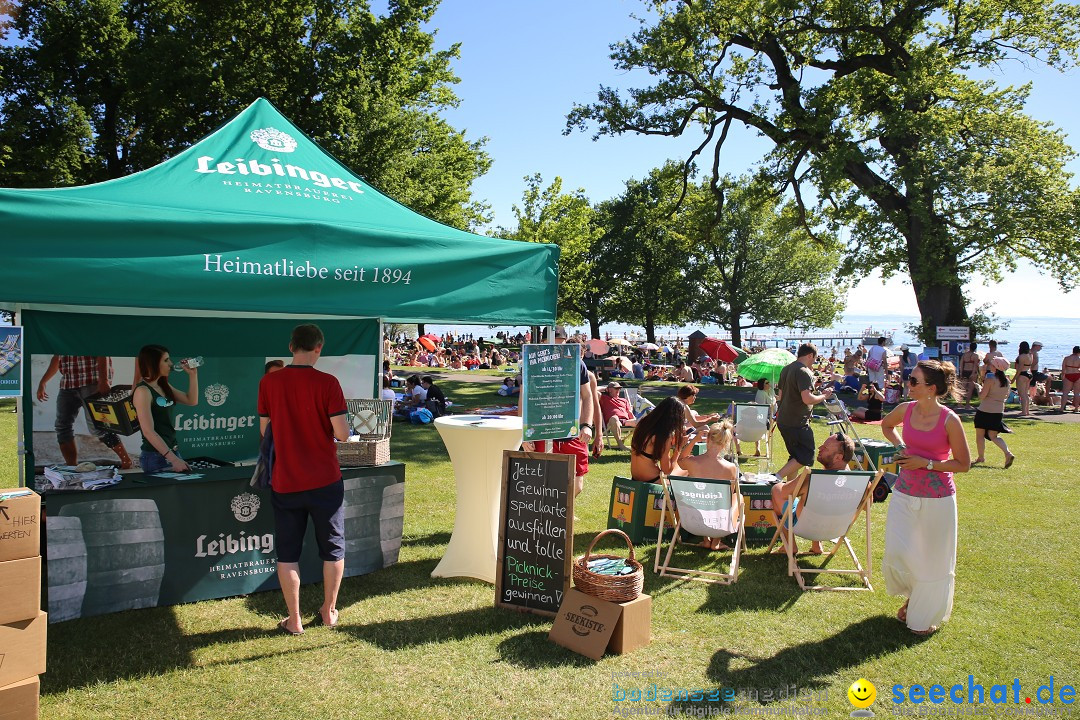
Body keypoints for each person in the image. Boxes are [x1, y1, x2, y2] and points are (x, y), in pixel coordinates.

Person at [258, 324, 350, 635]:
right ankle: (329, 610)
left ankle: (294, 619)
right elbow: (342, 433)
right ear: (319, 348)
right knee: (333, 548)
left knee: (287, 553)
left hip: (286, 481)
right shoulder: (328, 383)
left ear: (290, 347)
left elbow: (263, 431)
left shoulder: (270, 383)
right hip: (325, 479)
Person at [880, 360, 971, 636]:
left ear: (931, 388)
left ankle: (922, 613)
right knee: (899, 549)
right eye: (910, 379)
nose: (908, 384)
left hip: (938, 498)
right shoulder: (905, 410)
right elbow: (886, 426)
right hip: (905, 491)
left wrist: (926, 463)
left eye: (914, 381)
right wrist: (903, 447)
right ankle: (913, 595)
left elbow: (963, 464)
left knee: (932, 558)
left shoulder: (949, 420)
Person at [36, 355, 133, 469]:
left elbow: (102, 352)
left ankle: (126, 460)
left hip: (91, 380)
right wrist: (43, 382)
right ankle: (71, 466)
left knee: (99, 426)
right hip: (68, 382)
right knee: (62, 426)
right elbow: (57, 357)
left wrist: (104, 380)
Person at [771, 431, 856, 555]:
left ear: (838, 457)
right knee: (822, 504)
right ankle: (817, 545)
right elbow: (866, 506)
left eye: (825, 448)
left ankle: (790, 545)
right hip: (837, 529)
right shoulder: (861, 483)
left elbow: (784, 493)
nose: (819, 448)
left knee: (777, 489)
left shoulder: (810, 478)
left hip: (806, 527)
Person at [131, 346, 200, 473]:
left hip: (172, 452)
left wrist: (193, 375)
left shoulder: (163, 385)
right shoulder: (143, 391)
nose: (171, 364)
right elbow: (148, 431)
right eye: (166, 360)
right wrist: (174, 460)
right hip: (155, 456)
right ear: (153, 363)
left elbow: (192, 401)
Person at [549, 325, 598, 497]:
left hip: (572, 432)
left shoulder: (576, 363)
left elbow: (588, 396)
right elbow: (524, 399)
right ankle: (555, 516)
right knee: (545, 482)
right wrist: (524, 434)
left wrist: (587, 425)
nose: (557, 349)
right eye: (552, 344)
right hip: (543, 433)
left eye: (560, 344)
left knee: (577, 485)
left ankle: (562, 511)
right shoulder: (534, 361)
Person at [775, 344, 834, 482]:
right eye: (815, 358)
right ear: (810, 355)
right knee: (806, 456)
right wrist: (824, 396)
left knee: (795, 457)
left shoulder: (786, 369)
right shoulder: (803, 371)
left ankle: (788, 490)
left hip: (784, 419)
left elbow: (781, 395)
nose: (815, 361)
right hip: (797, 421)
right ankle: (776, 478)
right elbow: (807, 399)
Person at [678, 420, 739, 550]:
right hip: (719, 523)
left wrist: (694, 440)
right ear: (725, 444)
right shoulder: (731, 468)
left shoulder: (692, 462)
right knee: (734, 498)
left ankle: (706, 540)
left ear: (707, 440)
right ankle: (716, 542)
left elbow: (680, 460)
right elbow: (726, 501)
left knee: (702, 499)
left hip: (692, 521)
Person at [629, 397, 694, 483]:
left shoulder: (643, 424)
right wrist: (679, 447)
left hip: (635, 478)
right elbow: (667, 470)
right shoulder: (664, 435)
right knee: (690, 465)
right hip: (653, 480)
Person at [973, 357, 1015, 468]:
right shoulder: (1006, 381)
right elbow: (1005, 396)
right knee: (994, 435)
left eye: (991, 364)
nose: (989, 365)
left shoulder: (990, 380)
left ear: (995, 367)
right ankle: (1007, 453)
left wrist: (978, 388)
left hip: (985, 410)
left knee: (980, 435)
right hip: (998, 411)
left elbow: (982, 396)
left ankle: (981, 457)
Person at [599, 380, 637, 451]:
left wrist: (635, 421)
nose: (618, 390)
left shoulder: (624, 400)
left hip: (626, 421)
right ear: (609, 390)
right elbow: (593, 391)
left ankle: (639, 445)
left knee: (641, 422)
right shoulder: (604, 398)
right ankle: (621, 445)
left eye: (619, 388)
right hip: (612, 421)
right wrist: (604, 388)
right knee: (615, 418)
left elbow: (629, 412)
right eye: (616, 388)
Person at [1013, 341, 1033, 417]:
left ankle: (1024, 411)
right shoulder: (1030, 355)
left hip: (1022, 374)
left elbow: (1019, 369)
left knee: (1022, 394)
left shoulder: (1022, 356)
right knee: (1025, 394)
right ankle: (1026, 410)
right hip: (1028, 374)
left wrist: (1014, 379)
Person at [958, 342, 979, 406]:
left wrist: (961, 373)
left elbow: (961, 365)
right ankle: (967, 405)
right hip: (971, 372)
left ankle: (959, 404)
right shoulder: (975, 356)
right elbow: (975, 365)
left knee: (962, 388)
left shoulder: (964, 355)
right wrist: (973, 373)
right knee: (970, 389)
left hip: (965, 372)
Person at [1061, 346, 1080, 413]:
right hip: (1077, 375)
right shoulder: (1079, 359)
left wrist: (1063, 376)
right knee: (1077, 393)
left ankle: (1062, 408)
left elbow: (1063, 369)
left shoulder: (1066, 358)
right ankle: (1076, 408)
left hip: (1068, 374)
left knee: (1065, 392)